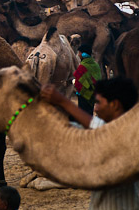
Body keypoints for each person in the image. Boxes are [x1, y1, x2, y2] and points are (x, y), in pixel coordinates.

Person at [41, 77, 138, 209]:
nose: (96, 109)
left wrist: (63, 102)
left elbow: (106, 132)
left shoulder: (130, 136)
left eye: (98, 103)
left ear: (114, 105)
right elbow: (67, 130)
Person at [74, 43, 101, 114]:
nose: (78, 54)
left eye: (79, 52)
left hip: (83, 95)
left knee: (82, 114)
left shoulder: (82, 66)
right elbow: (98, 79)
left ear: (84, 54)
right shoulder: (96, 65)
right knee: (90, 113)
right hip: (93, 95)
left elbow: (78, 82)